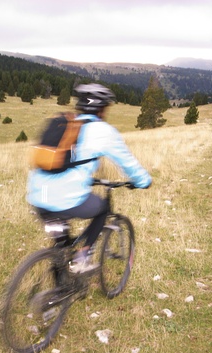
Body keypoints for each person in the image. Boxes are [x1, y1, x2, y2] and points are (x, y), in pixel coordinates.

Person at [27, 83, 152, 273]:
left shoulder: (63, 123)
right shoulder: (103, 131)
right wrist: (143, 182)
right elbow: (128, 164)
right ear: (101, 108)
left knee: (61, 243)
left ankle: (56, 292)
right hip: (66, 199)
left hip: (38, 196)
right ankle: (82, 258)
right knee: (102, 209)